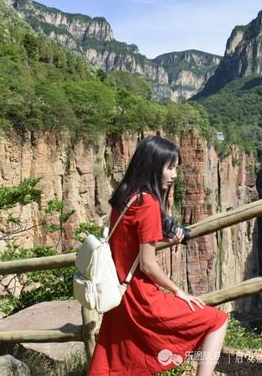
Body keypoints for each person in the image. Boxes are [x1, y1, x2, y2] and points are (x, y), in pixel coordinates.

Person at [88, 135, 228, 375]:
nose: (174, 175)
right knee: (216, 320)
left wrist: (164, 235)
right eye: (170, 167)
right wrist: (178, 291)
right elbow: (148, 264)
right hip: (140, 297)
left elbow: (128, 237)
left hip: (119, 293)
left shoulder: (126, 196)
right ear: (154, 166)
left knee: (116, 363)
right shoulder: (148, 203)